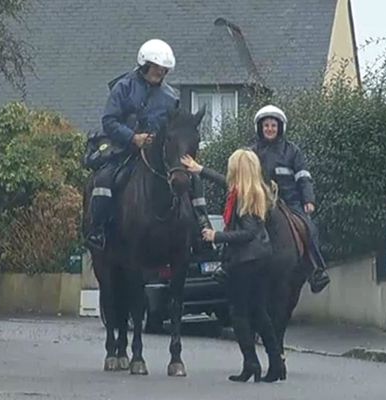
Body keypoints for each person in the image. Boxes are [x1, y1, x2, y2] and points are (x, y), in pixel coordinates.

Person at [85, 39, 212, 251]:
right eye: (156, 68)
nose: (160, 73)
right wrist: (133, 138)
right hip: (125, 149)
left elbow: (177, 126)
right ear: (145, 65)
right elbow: (109, 120)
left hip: (159, 154)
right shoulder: (123, 87)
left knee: (193, 179)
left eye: (164, 70)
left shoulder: (171, 96)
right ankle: (98, 230)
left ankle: (201, 228)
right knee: (104, 179)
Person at [182, 150, 284, 383]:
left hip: (244, 261)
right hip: (261, 258)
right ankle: (276, 363)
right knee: (259, 312)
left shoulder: (242, 197)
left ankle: (251, 364)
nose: (228, 172)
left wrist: (216, 235)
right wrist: (201, 170)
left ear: (237, 170)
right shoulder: (256, 190)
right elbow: (223, 181)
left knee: (239, 313)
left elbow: (248, 233)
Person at [251, 105, 329, 293]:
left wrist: (308, 200)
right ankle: (225, 266)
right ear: (260, 128)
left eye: (273, 125)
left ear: (280, 128)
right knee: (235, 224)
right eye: (266, 125)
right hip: (258, 203)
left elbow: (303, 177)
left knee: (309, 228)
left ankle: (316, 270)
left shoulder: (292, 151)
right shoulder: (251, 152)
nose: (270, 129)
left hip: (290, 202)